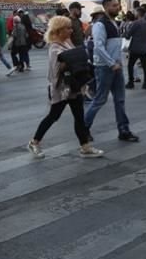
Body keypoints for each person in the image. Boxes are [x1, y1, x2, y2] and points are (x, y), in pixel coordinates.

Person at [28, 16, 103, 158]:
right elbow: (55, 70)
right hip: (61, 89)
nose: (71, 30)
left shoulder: (68, 43)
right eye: (67, 28)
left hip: (75, 87)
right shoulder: (54, 46)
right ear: (59, 30)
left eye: (70, 27)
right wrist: (69, 62)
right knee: (53, 116)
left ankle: (85, 146)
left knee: (79, 117)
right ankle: (34, 142)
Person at [83, 0, 139, 142]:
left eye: (117, 5)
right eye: (114, 5)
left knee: (120, 99)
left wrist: (117, 63)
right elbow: (98, 47)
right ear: (106, 7)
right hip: (105, 67)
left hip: (116, 66)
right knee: (100, 99)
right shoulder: (100, 25)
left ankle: (124, 130)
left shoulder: (114, 23)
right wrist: (111, 63)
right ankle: (84, 128)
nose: (118, 7)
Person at [125, 12, 146, 89]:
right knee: (145, 65)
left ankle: (131, 82)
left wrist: (126, 35)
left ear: (139, 14)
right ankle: (145, 83)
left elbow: (128, 35)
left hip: (135, 47)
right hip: (145, 47)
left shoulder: (135, 23)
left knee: (130, 65)